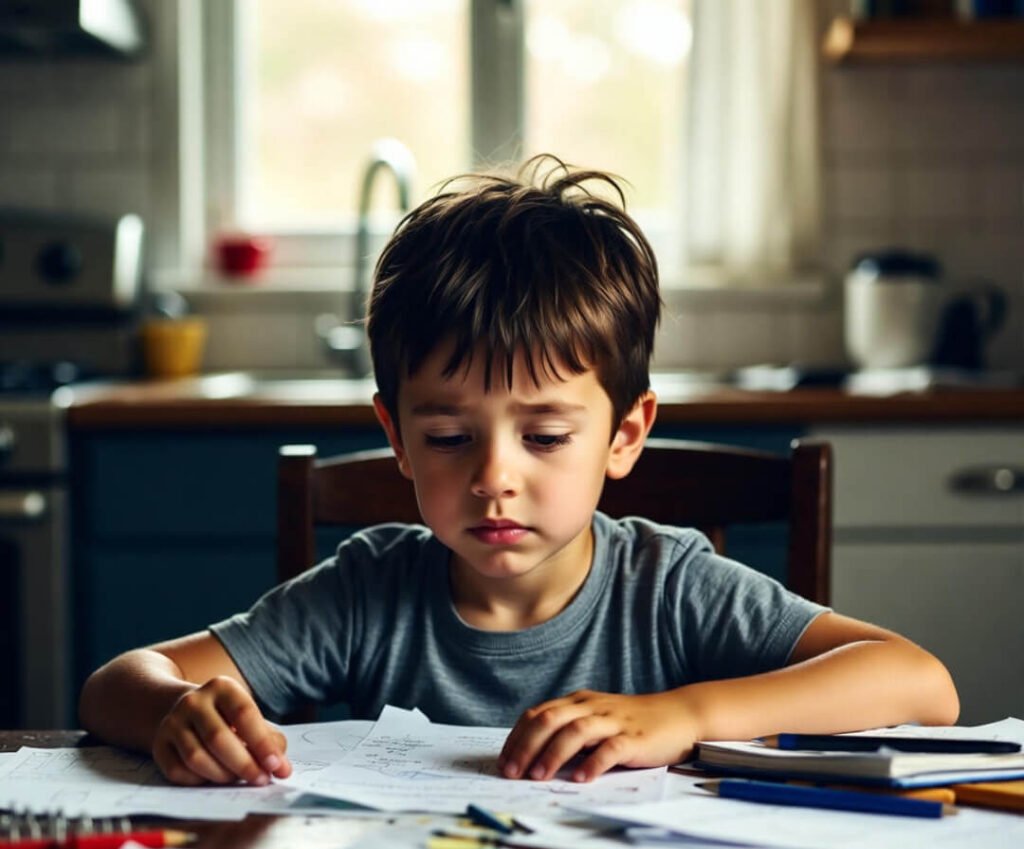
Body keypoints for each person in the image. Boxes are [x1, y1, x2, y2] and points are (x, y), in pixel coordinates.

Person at [79, 155, 959, 788]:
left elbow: (922, 684)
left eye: (544, 438)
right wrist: (172, 713)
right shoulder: (362, 594)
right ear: (396, 435)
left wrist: (684, 716)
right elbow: (119, 680)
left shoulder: (669, 586)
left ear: (624, 434)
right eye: (452, 438)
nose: (496, 478)